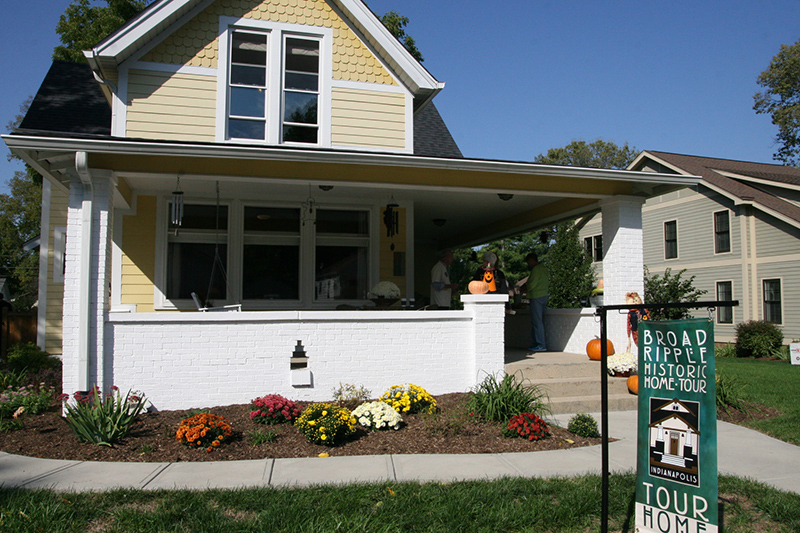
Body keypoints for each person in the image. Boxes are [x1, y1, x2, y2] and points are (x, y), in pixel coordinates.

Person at [525, 252, 549, 352]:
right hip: (544, 296)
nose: (528, 264)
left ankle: (540, 344)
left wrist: (524, 289)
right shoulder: (544, 268)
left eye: (528, 262)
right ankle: (536, 343)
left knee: (537, 321)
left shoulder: (536, 270)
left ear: (531, 260)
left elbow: (532, 284)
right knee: (539, 320)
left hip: (536, 297)